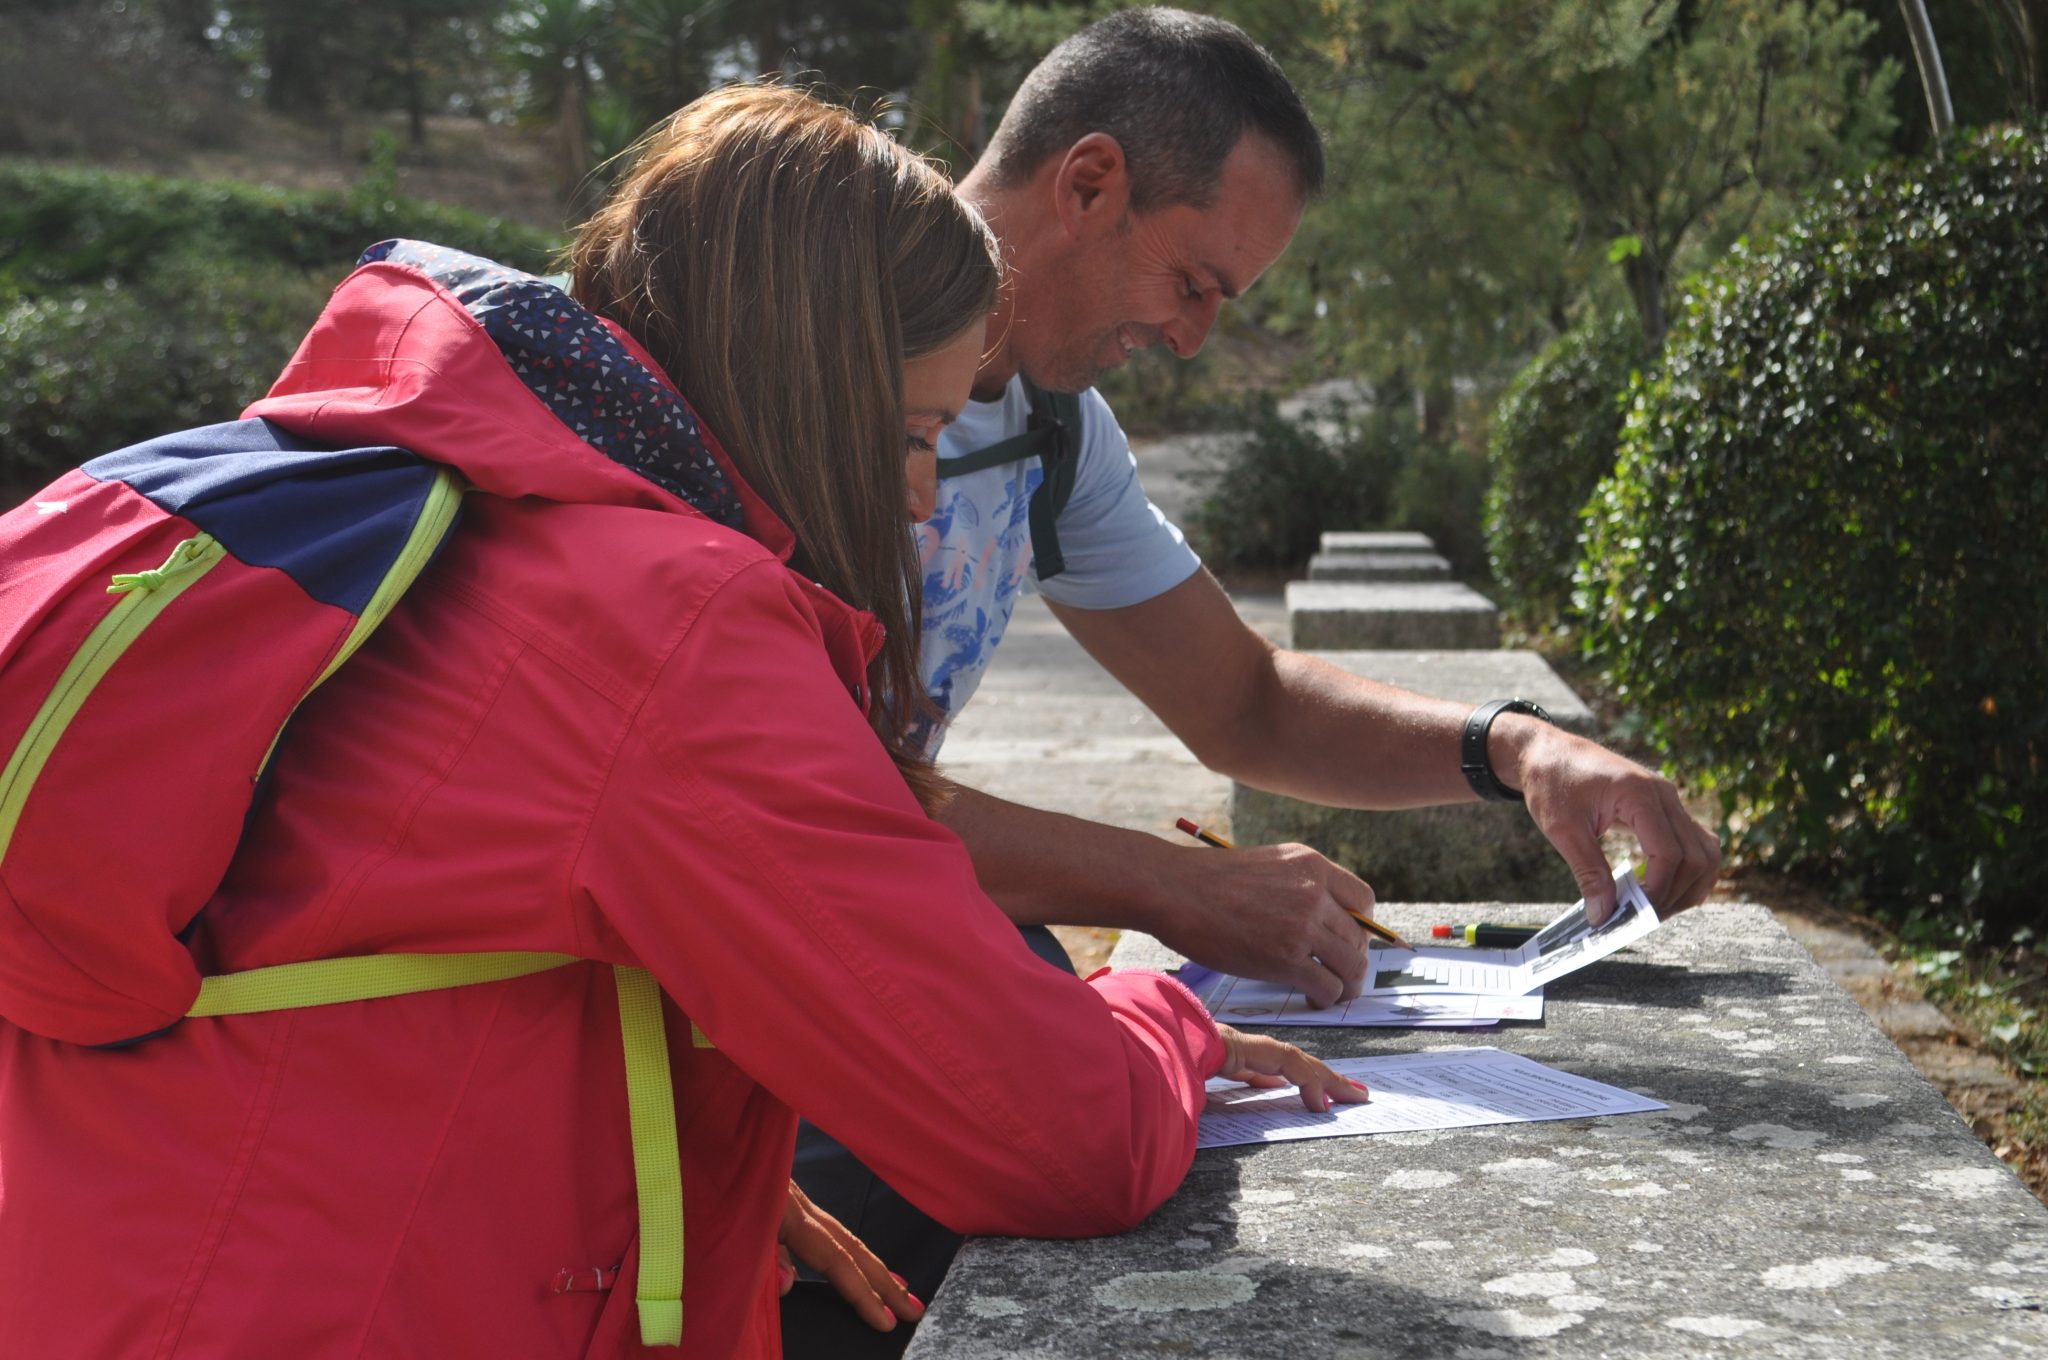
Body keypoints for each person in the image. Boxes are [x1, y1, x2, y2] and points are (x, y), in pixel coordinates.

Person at [0, 85, 1364, 1360]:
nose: (917, 505)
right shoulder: (662, 626)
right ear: (804, 392)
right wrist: (1157, 1012)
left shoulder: (464, 507)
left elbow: (363, 925)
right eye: (906, 434)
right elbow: (1051, 1133)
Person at [789, 6, 1724, 1342]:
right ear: (1091, 183)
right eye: (1194, 283)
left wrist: (1515, 747)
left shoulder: (1056, 427)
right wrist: (1175, 884)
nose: (1191, 340)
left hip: (870, 951)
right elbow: (802, 802)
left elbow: (1246, 702)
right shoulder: (797, 360)